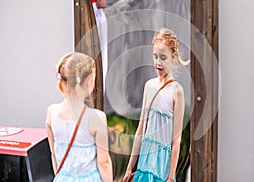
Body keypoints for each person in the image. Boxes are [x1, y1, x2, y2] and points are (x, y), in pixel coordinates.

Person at [123, 28, 190, 182]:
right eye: (155, 57)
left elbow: (176, 140)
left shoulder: (176, 91)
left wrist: (171, 176)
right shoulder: (149, 86)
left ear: (173, 57)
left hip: (161, 167)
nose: (158, 63)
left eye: (163, 58)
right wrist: (129, 168)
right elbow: (140, 130)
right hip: (144, 164)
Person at [46, 52, 113, 182]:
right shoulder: (96, 117)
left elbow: (54, 154)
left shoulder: (51, 112)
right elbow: (104, 163)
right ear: (89, 82)